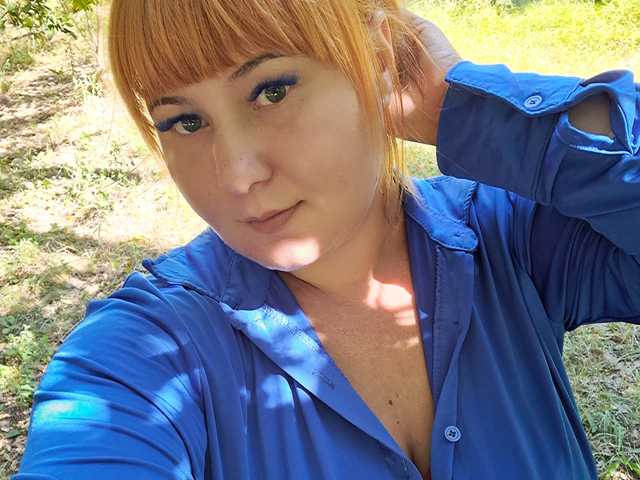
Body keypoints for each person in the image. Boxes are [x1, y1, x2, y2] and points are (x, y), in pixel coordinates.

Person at [11, 0, 639, 479]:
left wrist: (458, 106)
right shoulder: (144, 357)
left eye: (272, 90)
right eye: (185, 121)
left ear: (378, 61)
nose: (237, 175)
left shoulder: (509, 236)